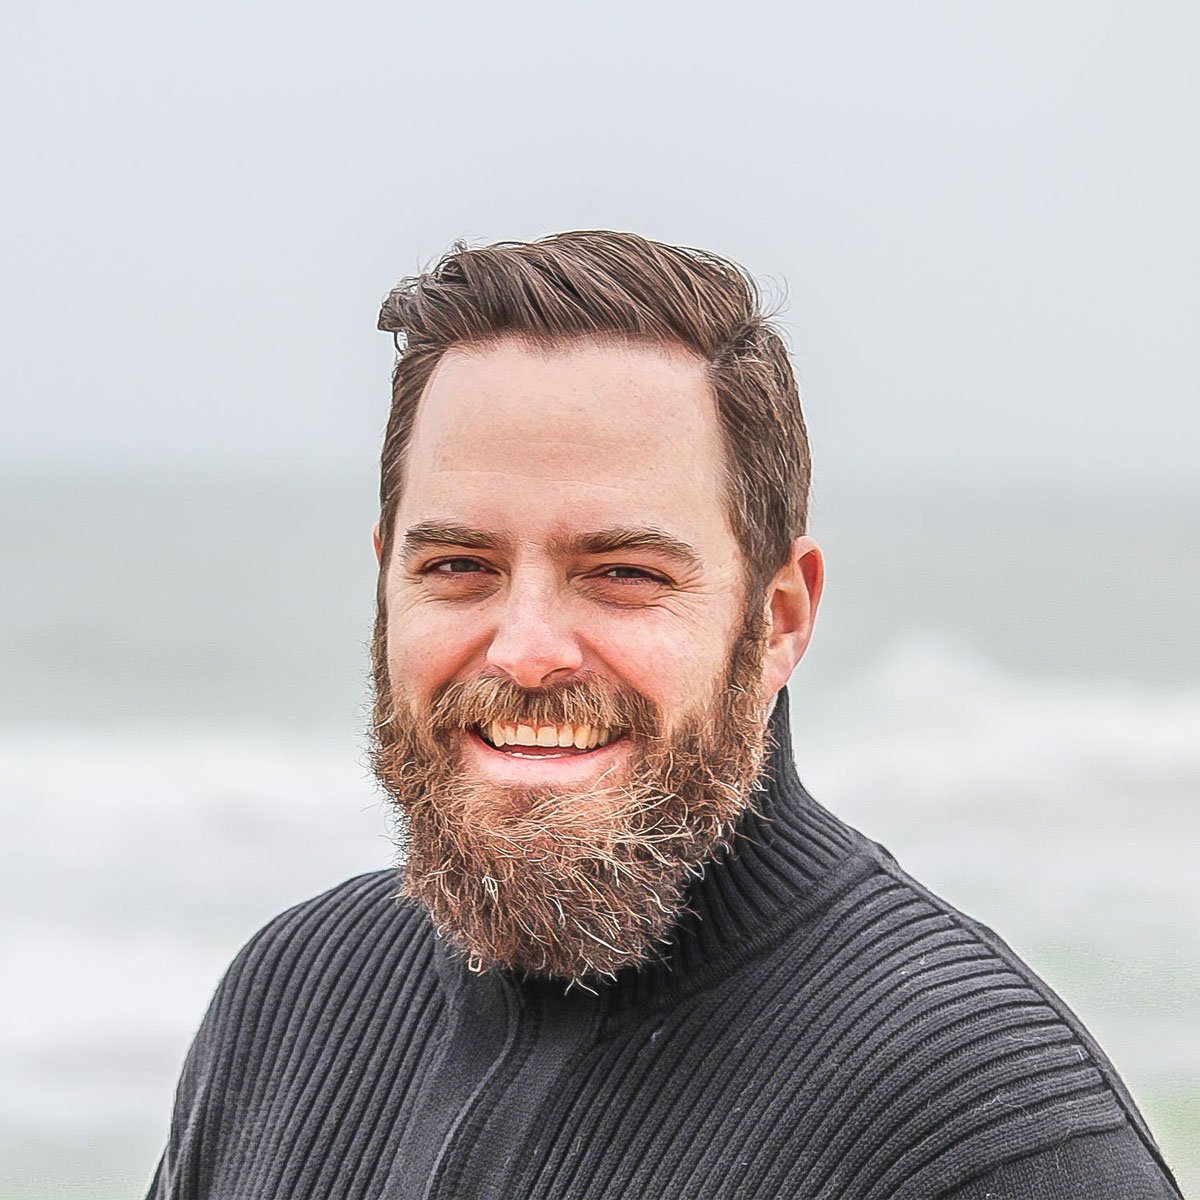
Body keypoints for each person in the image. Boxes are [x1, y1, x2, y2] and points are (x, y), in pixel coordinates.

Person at [147, 232, 1182, 1199]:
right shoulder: (290, 997)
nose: (526, 649)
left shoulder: (984, 1127)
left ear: (778, 619)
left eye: (626, 573)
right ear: (387, 584)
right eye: (459, 566)